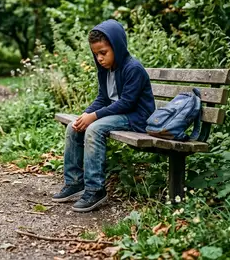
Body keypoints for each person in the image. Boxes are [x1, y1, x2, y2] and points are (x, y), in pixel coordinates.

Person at [52, 19, 155, 212]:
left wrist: (94, 117)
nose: (99, 58)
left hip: (137, 117)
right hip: (119, 114)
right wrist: (86, 114)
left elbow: (127, 103)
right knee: (74, 126)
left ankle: (95, 189)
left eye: (103, 53)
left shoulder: (133, 68)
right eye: (95, 54)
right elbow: (103, 97)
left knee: (94, 128)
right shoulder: (106, 70)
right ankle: (74, 182)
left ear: (117, 46)